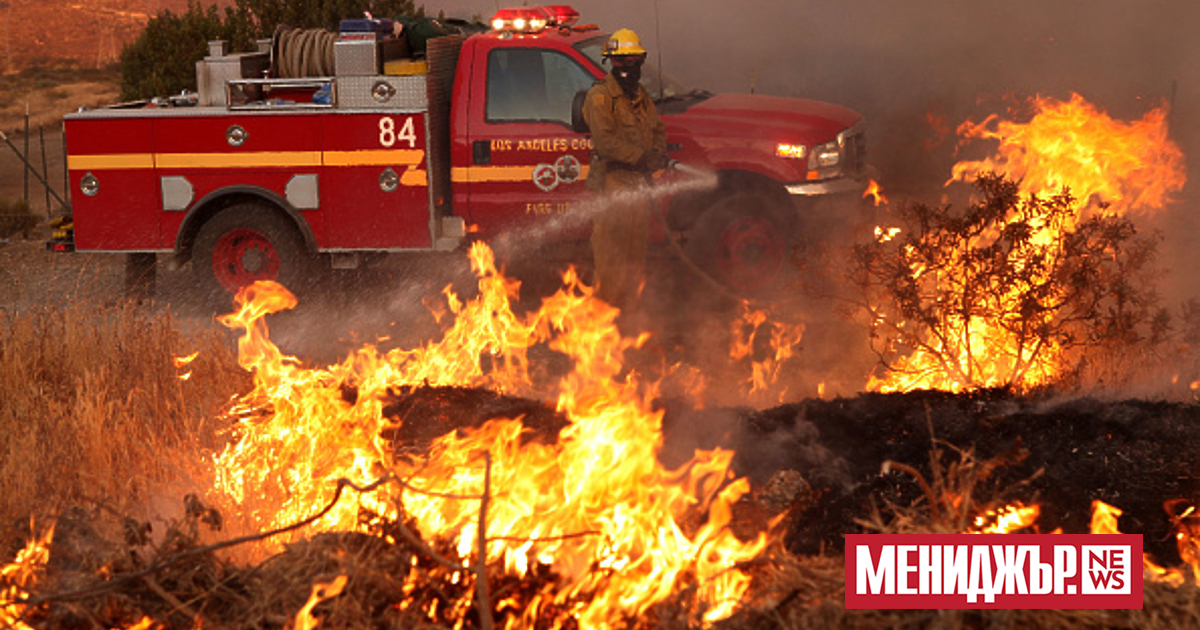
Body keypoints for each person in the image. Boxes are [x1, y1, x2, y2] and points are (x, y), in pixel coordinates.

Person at [582, 28, 669, 313]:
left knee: (635, 253)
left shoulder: (641, 95)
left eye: (636, 60)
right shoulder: (600, 97)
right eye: (626, 61)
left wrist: (656, 155)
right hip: (614, 183)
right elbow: (605, 142)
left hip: (638, 184)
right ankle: (605, 315)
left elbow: (657, 129)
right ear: (613, 61)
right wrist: (642, 157)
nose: (632, 67)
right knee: (611, 255)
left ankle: (629, 315)